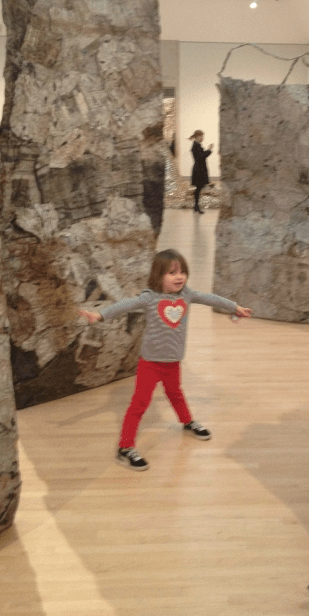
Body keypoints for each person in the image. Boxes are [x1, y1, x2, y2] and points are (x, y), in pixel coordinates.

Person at [79, 248, 252, 472]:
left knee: (175, 393)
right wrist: (99, 315)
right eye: (172, 273)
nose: (179, 277)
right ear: (158, 276)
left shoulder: (187, 295)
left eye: (182, 272)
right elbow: (125, 305)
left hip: (173, 361)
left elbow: (210, 298)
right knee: (139, 405)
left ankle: (187, 422)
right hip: (150, 363)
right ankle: (125, 447)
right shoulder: (150, 298)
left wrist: (234, 307)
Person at [189, 130, 213, 214]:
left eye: (203, 136)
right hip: (199, 170)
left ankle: (196, 206)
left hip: (199, 169)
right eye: (201, 136)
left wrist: (208, 150)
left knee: (198, 188)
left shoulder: (197, 145)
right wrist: (209, 150)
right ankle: (196, 206)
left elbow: (201, 156)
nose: (202, 138)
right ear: (197, 136)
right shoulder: (196, 146)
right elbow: (201, 157)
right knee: (198, 188)